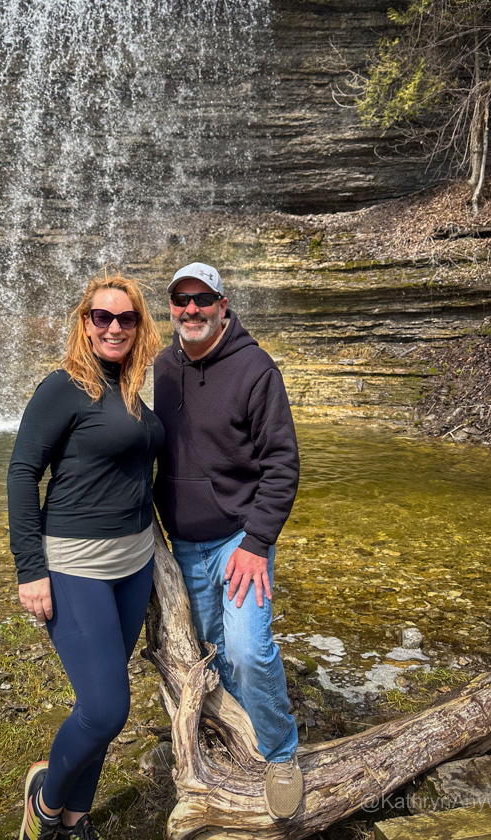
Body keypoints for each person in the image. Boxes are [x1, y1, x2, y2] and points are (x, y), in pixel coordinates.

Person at [8, 272, 164, 840]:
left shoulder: (131, 386)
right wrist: (31, 570)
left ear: (140, 325)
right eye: (103, 317)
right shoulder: (63, 386)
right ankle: (45, 805)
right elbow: (23, 473)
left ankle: (77, 819)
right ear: (85, 324)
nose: (115, 326)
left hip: (134, 566)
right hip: (77, 566)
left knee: (100, 701)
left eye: (126, 318)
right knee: (105, 709)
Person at [153, 261, 303, 821]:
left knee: (247, 648)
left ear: (222, 304)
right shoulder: (162, 367)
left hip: (239, 540)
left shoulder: (256, 368)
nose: (191, 310)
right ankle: (236, 738)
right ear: (171, 306)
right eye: (180, 300)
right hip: (183, 542)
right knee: (210, 650)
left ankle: (281, 753)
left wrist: (258, 541)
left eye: (202, 300)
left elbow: (283, 465)